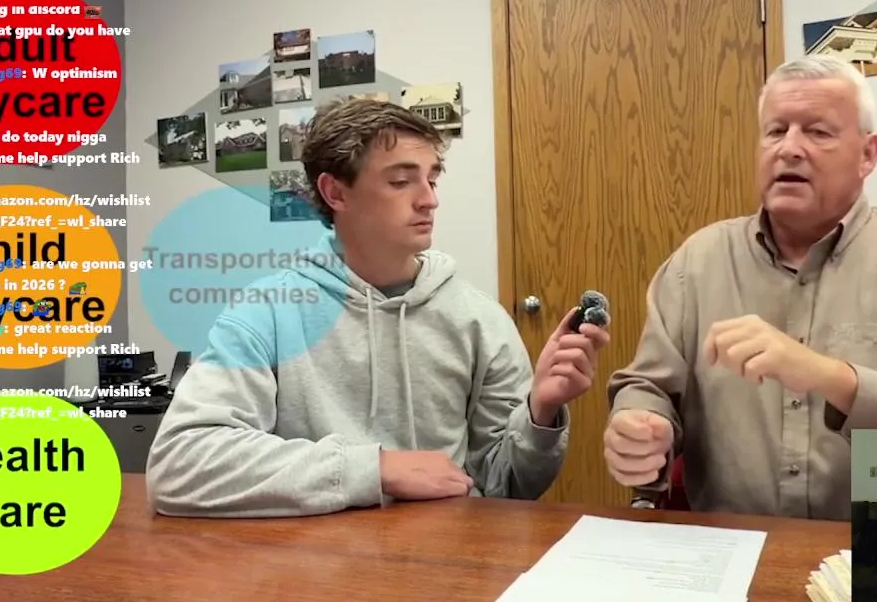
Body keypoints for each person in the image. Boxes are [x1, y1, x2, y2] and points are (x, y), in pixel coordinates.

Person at [602, 55, 877, 519]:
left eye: (818, 132)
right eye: (775, 131)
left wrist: (833, 379)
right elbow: (650, 385)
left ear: (867, 154)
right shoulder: (697, 263)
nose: (789, 148)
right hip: (737, 546)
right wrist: (641, 424)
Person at [146, 98, 609, 518]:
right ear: (336, 193)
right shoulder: (265, 313)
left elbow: (506, 487)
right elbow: (179, 465)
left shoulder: (480, 320)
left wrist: (540, 412)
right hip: (308, 565)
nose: (429, 199)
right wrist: (374, 469)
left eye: (431, 178)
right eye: (401, 181)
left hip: (444, 561)